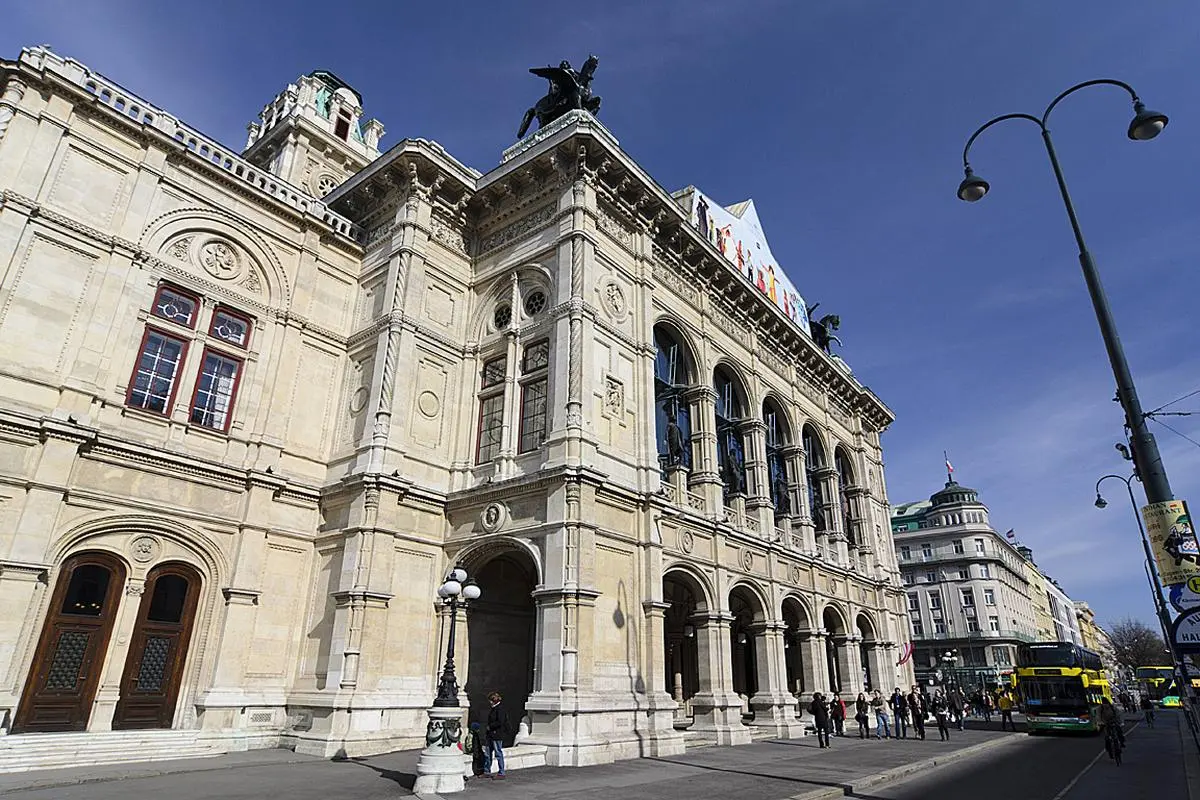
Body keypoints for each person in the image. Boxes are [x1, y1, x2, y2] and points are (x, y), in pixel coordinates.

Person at [485, 691, 511, 779]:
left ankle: (501, 772)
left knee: (498, 753)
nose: (489, 702)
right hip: (491, 734)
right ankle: (487, 771)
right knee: (487, 753)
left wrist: (490, 726)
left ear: (493, 701)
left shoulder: (500, 709)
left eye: (490, 701)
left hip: (497, 734)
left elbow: (500, 722)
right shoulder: (495, 708)